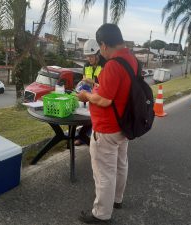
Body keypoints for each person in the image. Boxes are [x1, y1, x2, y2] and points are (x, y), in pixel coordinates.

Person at [77, 23, 138, 224]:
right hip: (124, 125)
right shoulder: (131, 59)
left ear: (103, 45)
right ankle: (117, 200)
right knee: (121, 164)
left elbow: (104, 100)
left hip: (107, 127)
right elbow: (116, 89)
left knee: (104, 173)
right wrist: (98, 85)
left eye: (100, 47)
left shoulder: (112, 64)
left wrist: (86, 94)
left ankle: (102, 214)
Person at [74, 39, 106, 146]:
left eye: (91, 56)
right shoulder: (86, 65)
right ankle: (83, 136)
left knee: (94, 119)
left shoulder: (106, 65)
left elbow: (106, 87)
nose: (89, 59)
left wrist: (92, 82)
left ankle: (86, 138)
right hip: (88, 97)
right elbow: (84, 82)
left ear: (98, 53)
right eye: (87, 56)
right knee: (84, 116)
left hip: (101, 98)